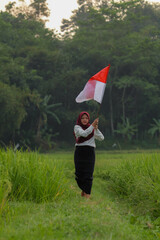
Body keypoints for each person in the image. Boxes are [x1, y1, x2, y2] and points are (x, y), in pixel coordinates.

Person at [74, 111, 104, 199]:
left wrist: (96, 128)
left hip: (90, 152)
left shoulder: (91, 128)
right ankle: (83, 189)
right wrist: (92, 126)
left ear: (88, 119)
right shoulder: (77, 127)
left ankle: (87, 194)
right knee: (79, 174)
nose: (84, 120)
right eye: (83, 118)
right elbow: (84, 133)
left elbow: (101, 138)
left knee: (88, 173)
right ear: (80, 119)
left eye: (86, 118)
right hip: (79, 152)